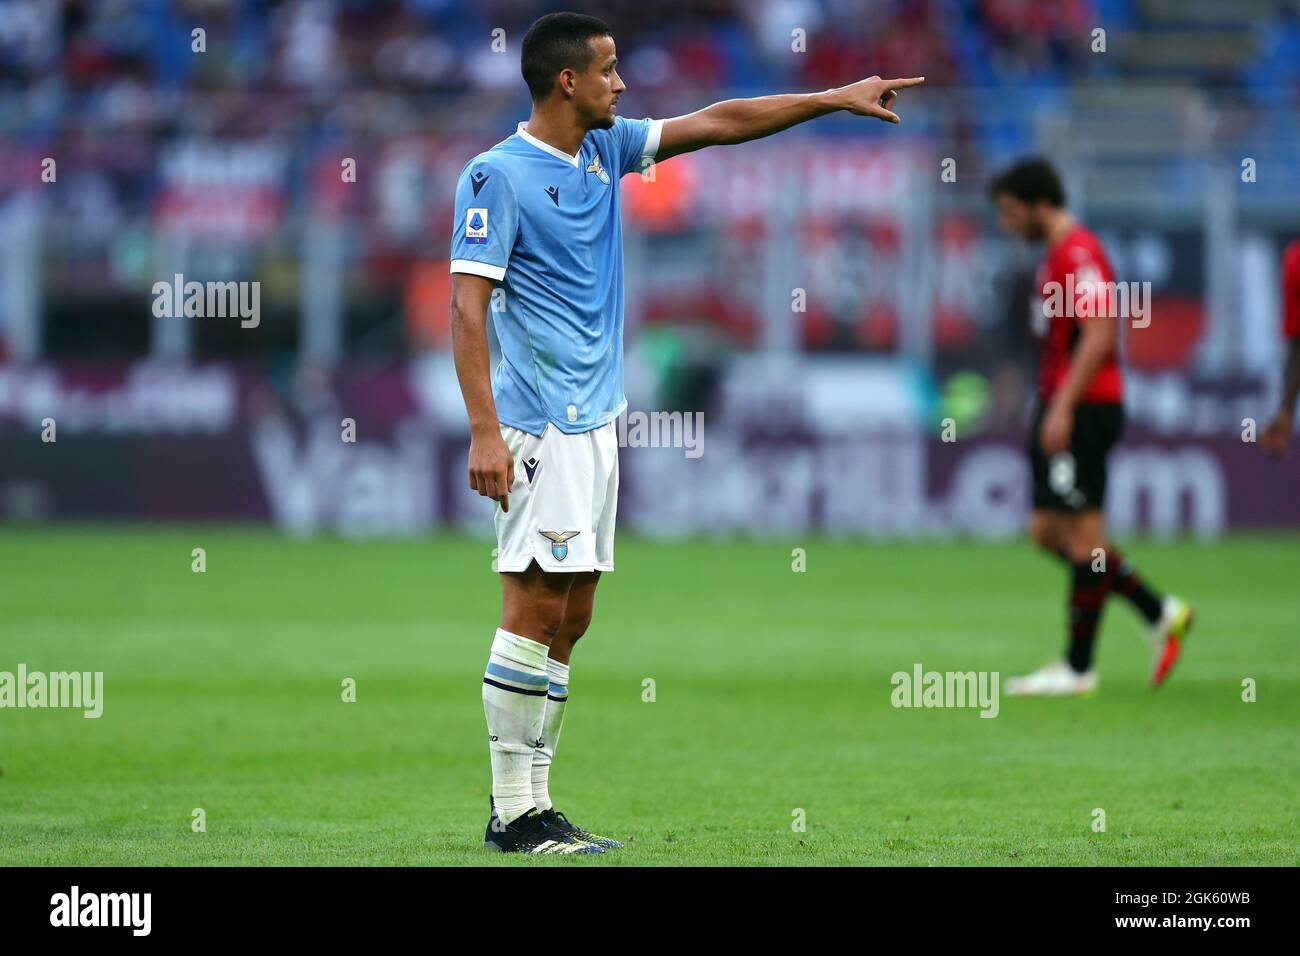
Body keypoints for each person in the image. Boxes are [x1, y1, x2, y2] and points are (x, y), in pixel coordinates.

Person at [450, 11, 924, 853]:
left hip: (595, 423)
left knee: (576, 612)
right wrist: (485, 432)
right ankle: (512, 813)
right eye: (608, 71)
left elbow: (718, 123)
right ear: (568, 81)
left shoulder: (602, 150)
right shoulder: (496, 177)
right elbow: (465, 307)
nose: (621, 84)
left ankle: (536, 803)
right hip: (537, 425)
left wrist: (831, 98)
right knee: (532, 605)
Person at [988, 158, 1193, 698]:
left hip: (1083, 408)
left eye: (1011, 213)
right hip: (1060, 402)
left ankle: (1078, 668)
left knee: (1082, 537)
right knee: (1047, 531)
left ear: (1037, 204)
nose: (1007, 225)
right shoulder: (1058, 255)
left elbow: (1101, 335)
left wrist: (1062, 409)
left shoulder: (1079, 255)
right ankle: (1158, 610)